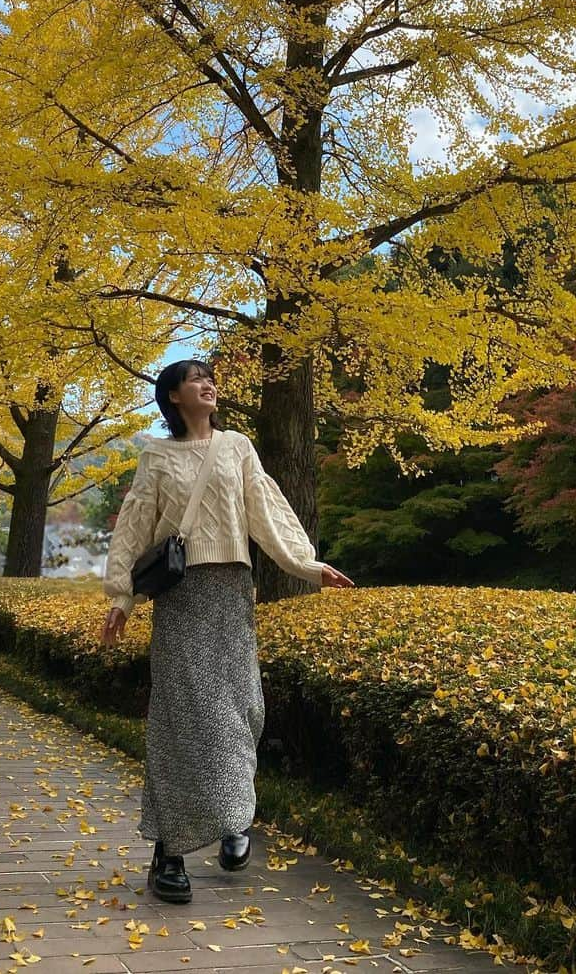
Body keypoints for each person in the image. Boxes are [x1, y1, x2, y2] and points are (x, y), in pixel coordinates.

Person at [100, 358, 354, 903]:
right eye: (195, 379)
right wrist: (122, 597)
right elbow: (136, 527)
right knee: (182, 717)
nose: (208, 384)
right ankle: (168, 852)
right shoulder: (157, 456)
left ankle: (234, 817)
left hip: (233, 592)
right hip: (181, 597)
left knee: (241, 708)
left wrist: (305, 563)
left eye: (209, 377)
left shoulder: (237, 446)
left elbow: (265, 508)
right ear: (172, 397)